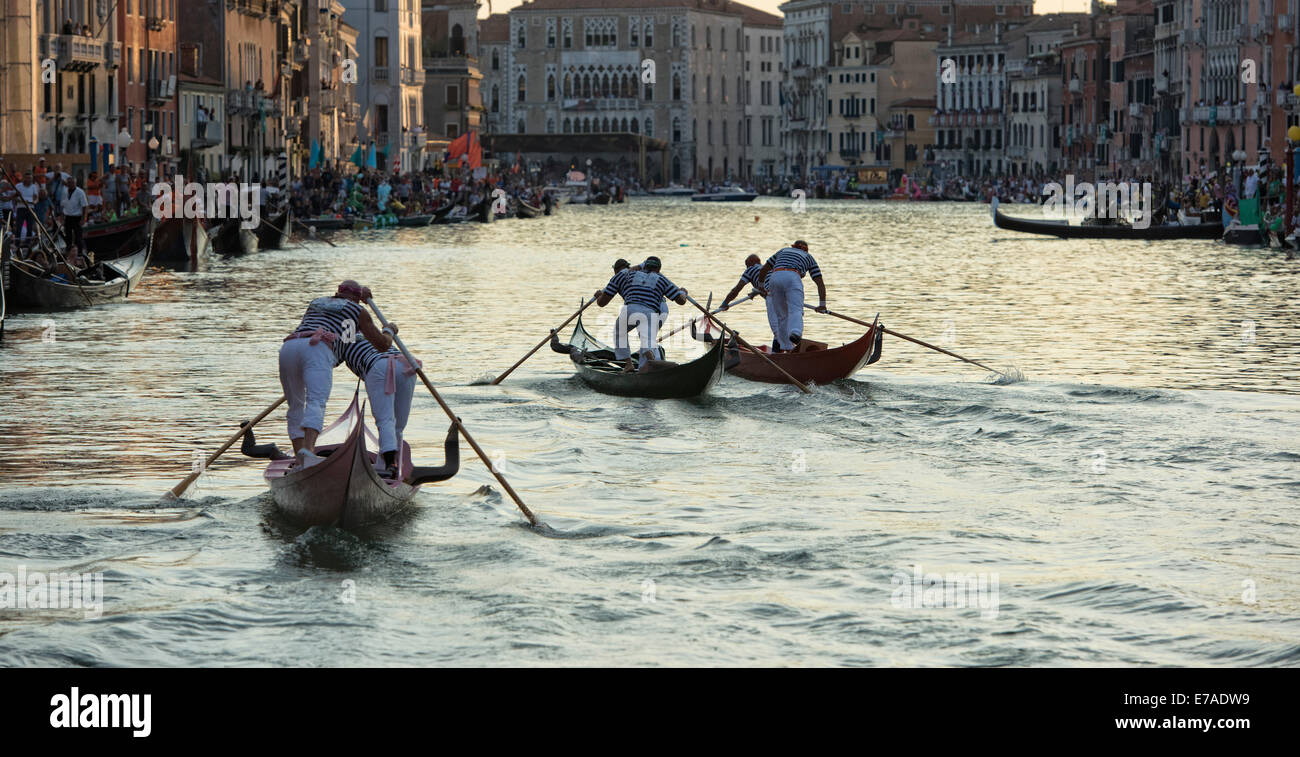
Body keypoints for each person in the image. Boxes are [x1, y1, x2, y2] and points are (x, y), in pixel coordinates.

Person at [279, 281, 391, 467]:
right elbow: (381, 345)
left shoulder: (317, 302)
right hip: (317, 350)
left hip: (289, 347)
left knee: (295, 405)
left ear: (337, 293)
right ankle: (308, 450)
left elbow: (344, 339)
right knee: (316, 401)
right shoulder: (358, 311)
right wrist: (389, 331)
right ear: (357, 299)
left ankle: (300, 457)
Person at [337, 316, 415, 481]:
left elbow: (335, 356)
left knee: (385, 420)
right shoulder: (374, 335)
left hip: (379, 367)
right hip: (406, 365)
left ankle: (389, 464)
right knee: (398, 426)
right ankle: (389, 463)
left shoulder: (346, 330)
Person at [595, 256, 688, 371]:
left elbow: (602, 302)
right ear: (658, 269)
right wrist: (683, 292)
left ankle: (628, 364)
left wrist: (598, 296)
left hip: (631, 309)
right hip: (651, 313)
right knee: (647, 340)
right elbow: (681, 301)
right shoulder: (662, 279)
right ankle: (649, 360)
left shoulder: (628, 274)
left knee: (619, 332)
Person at [754, 240, 826, 353]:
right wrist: (822, 305)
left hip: (775, 277)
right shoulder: (808, 257)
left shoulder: (783, 251)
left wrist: (761, 287)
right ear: (805, 249)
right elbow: (819, 283)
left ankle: (786, 347)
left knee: (782, 316)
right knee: (796, 309)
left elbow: (763, 270)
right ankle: (796, 333)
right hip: (792, 276)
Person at [59, 175, 90, 255]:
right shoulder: (65, 192)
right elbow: (62, 205)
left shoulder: (80, 192)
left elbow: (84, 206)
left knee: (78, 237)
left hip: (77, 217)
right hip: (68, 217)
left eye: (72, 182)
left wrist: (84, 218)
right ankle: (69, 253)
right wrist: (62, 218)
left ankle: (79, 253)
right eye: (69, 182)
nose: (70, 184)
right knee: (68, 236)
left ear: (75, 183)